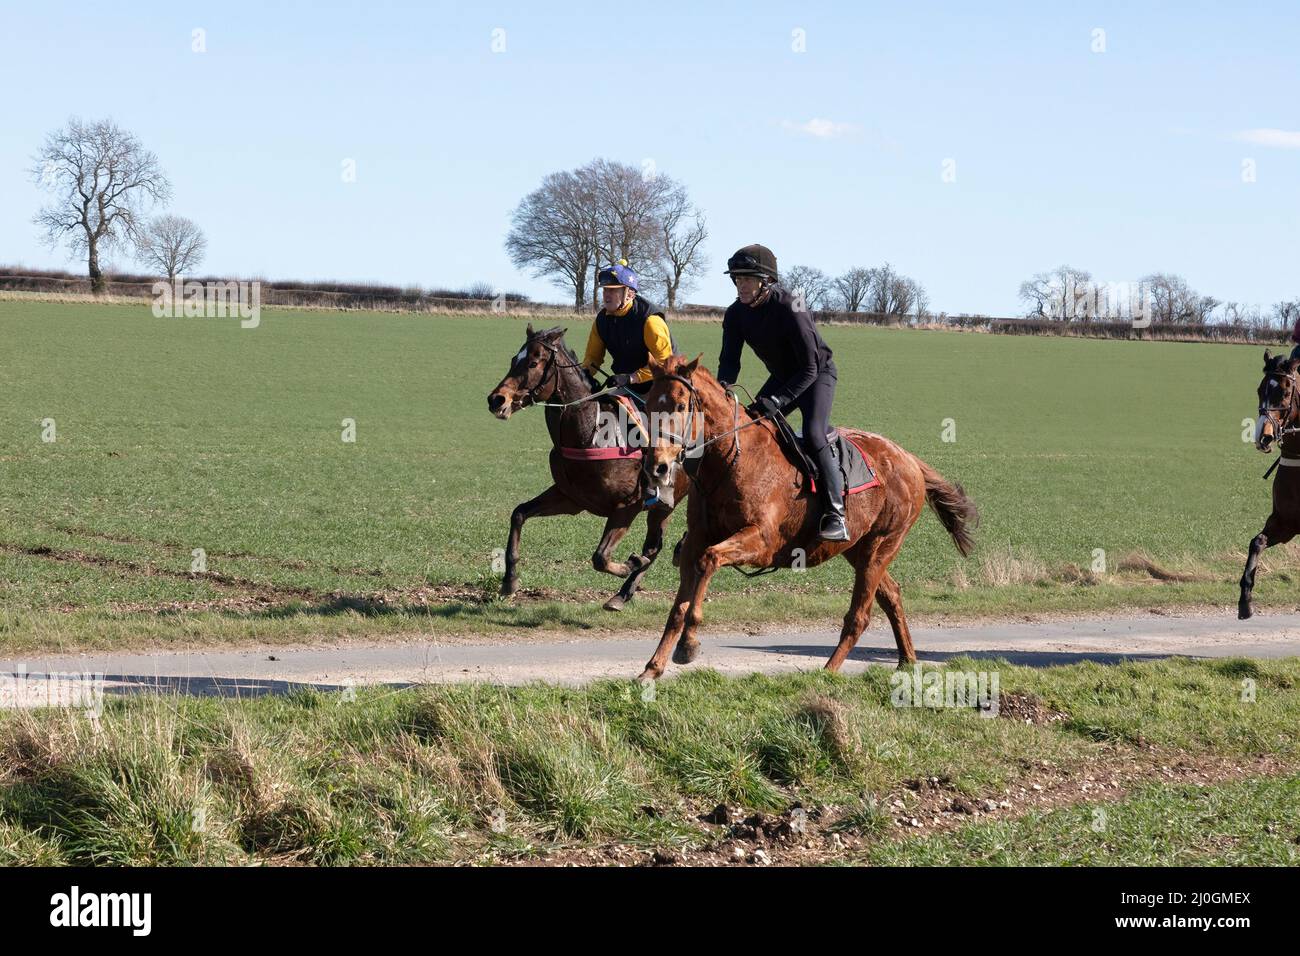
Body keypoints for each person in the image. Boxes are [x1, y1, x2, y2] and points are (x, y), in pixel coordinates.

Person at [717, 243, 848, 541]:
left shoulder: (793, 306)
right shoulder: (735, 314)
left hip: (817, 375)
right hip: (783, 376)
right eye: (738, 279)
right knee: (751, 426)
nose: (742, 285)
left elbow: (810, 368)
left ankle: (835, 513)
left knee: (814, 434)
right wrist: (722, 388)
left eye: (748, 279)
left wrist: (778, 400)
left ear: (767, 281)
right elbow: (729, 361)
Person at [580, 260, 674, 400]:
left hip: (663, 385)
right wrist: (583, 374)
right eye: (605, 289)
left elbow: (664, 364)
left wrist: (630, 378)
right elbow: (593, 358)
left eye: (613, 290)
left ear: (630, 294)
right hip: (628, 387)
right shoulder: (601, 320)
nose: (606, 294)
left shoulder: (650, 321)